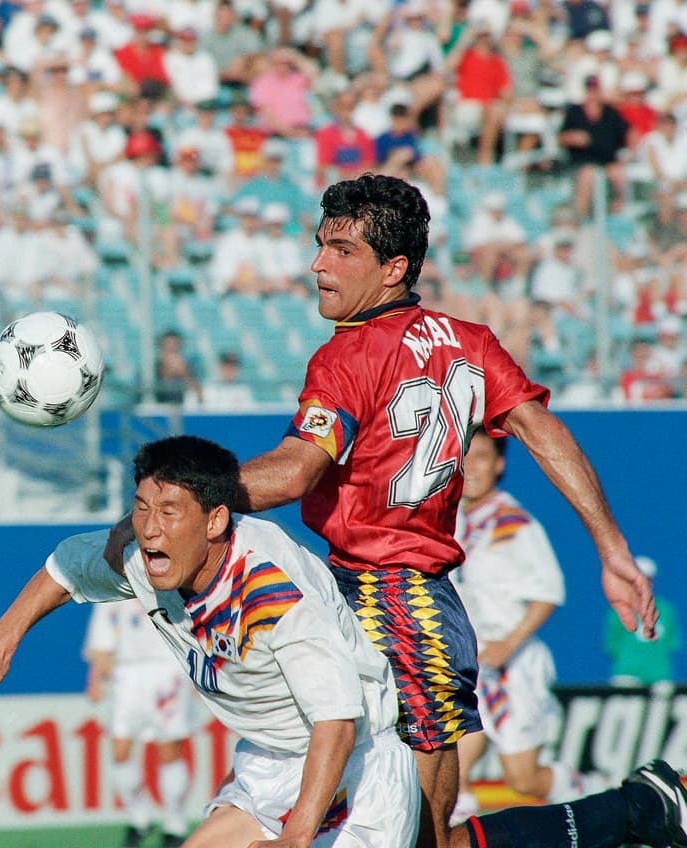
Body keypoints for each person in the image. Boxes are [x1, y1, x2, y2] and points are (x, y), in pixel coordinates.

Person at [103, 173, 679, 848]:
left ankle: (636, 813)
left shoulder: (348, 355)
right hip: (372, 599)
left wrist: (183, 498)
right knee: (385, 827)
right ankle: (640, 811)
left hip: (399, 606)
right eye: (320, 245)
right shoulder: (470, 339)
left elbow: (294, 471)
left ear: (394, 268)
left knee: (417, 836)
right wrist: (610, 549)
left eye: (342, 250)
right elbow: (542, 432)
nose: (318, 263)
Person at [0, 435, 423, 848]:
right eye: (141, 509)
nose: (150, 529)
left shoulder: (271, 589)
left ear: (215, 521)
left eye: (169, 511)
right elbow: (66, 568)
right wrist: (0, 640)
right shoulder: (143, 560)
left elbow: (335, 724)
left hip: (356, 766)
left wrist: (295, 840)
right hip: (270, 766)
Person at [449, 431, 608, 824]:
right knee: (453, 772)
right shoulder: (451, 521)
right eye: (464, 457)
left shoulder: (514, 523)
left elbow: (549, 591)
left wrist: (509, 643)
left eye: (482, 457)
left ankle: (594, 799)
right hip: (472, 664)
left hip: (514, 666)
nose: (471, 467)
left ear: (499, 465)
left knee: (522, 778)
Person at [84, 596, 194, 847]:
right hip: (126, 671)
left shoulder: (168, 573)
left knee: (168, 750)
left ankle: (175, 824)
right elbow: (103, 626)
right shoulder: (113, 573)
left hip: (168, 667)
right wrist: (96, 674)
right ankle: (139, 818)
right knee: (120, 751)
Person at [607, 555, 680, 687]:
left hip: (659, 676)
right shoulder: (620, 609)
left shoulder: (666, 610)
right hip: (627, 675)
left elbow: (671, 643)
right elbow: (613, 646)